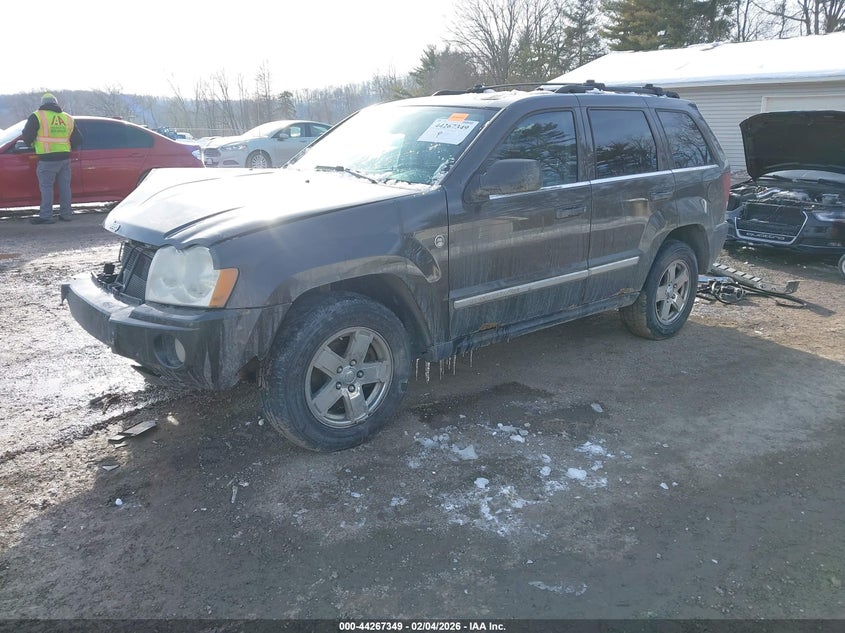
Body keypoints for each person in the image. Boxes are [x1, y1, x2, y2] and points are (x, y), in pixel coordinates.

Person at [21, 93, 82, 224]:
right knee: (65, 188)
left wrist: (32, 144)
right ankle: (66, 214)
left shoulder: (37, 116)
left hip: (47, 159)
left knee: (46, 188)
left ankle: (46, 216)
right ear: (56, 103)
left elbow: (27, 137)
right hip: (65, 158)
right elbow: (78, 139)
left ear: (43, 103)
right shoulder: (67, 118)